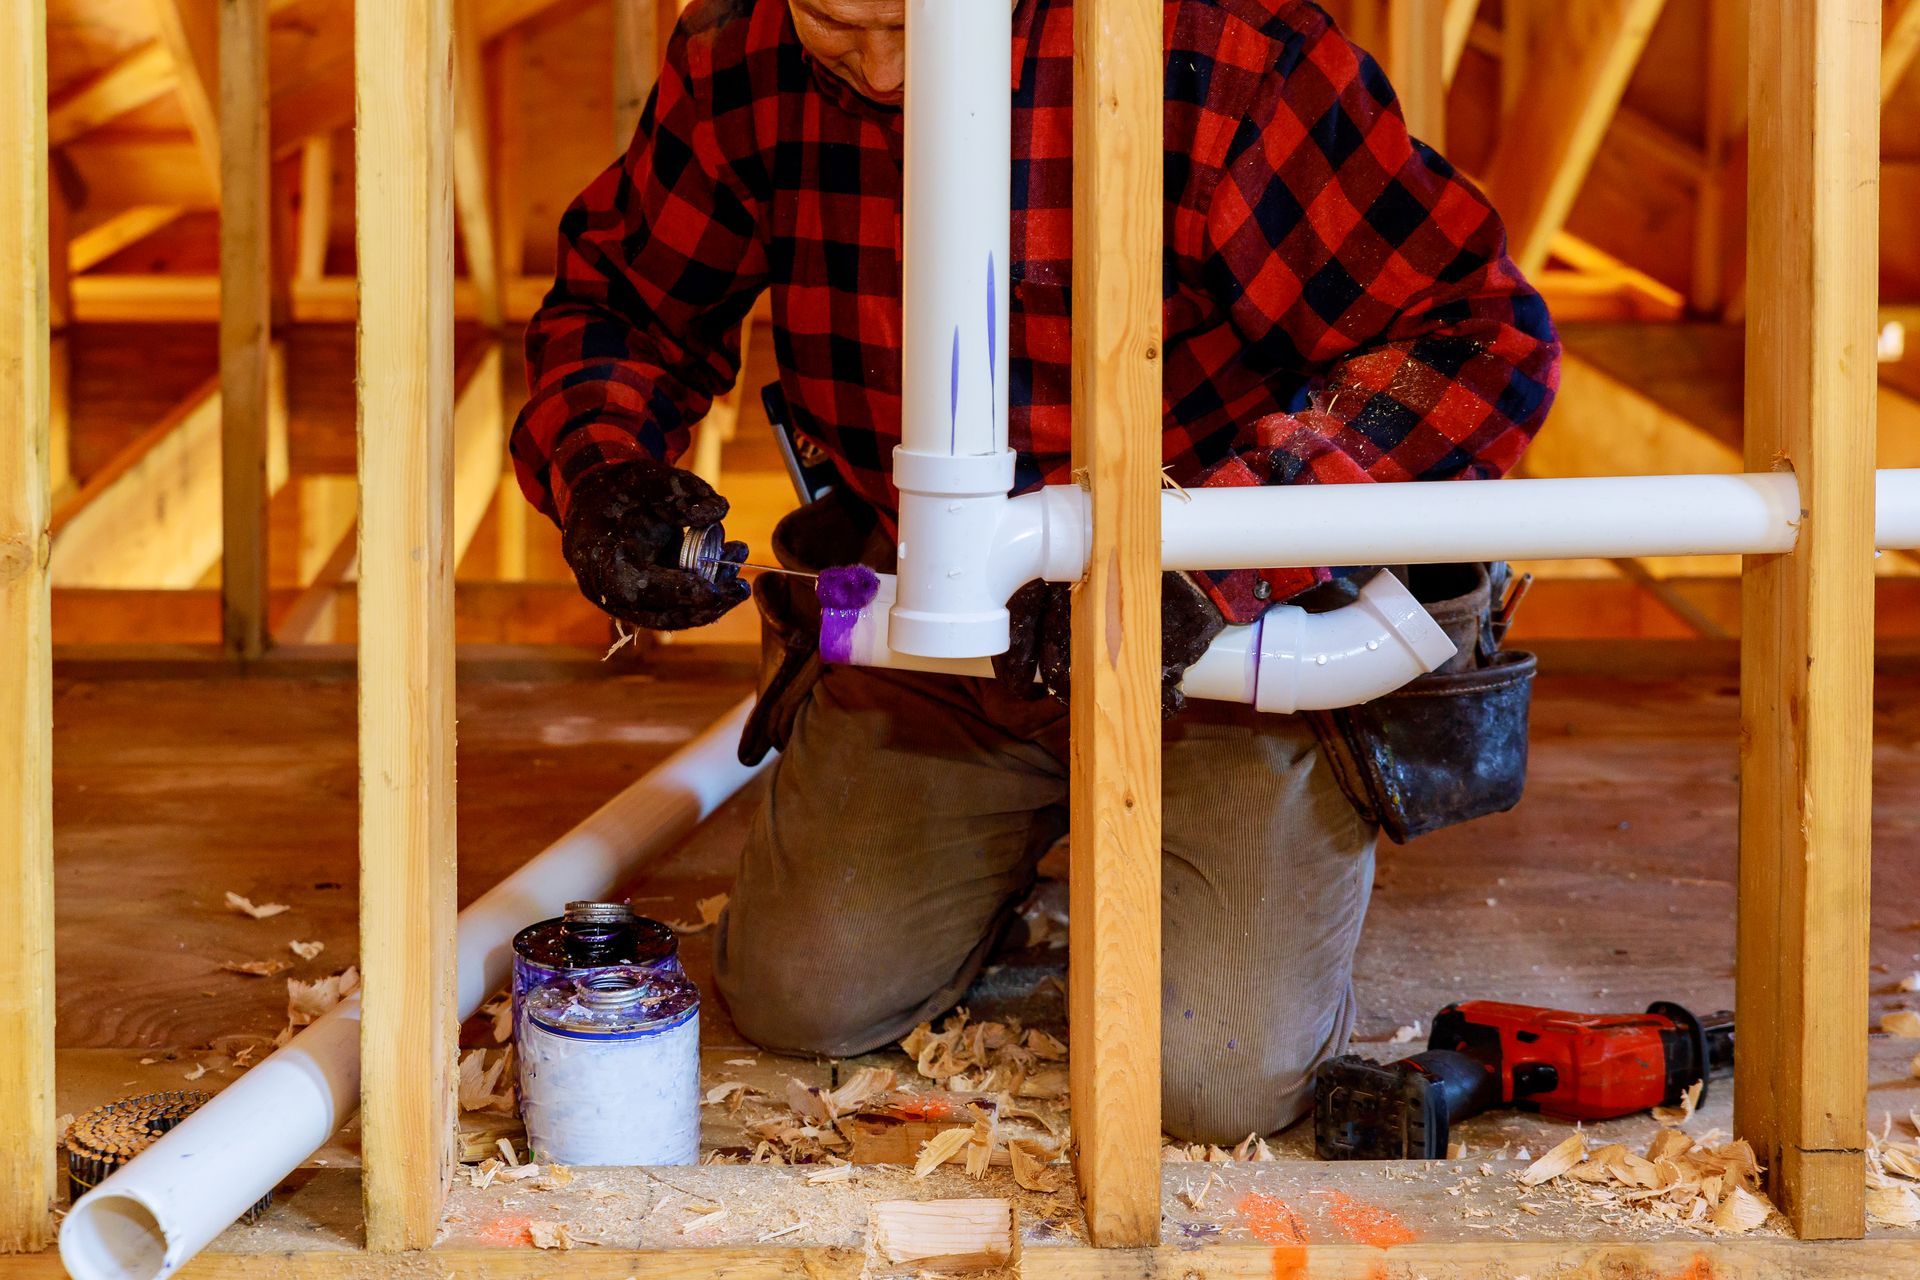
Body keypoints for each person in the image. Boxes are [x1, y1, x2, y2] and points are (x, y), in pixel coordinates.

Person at [510, 0, 1560, 1143]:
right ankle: (1020, 842)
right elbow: (622, 309)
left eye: (909, 24)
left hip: (1221, 631)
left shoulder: (1221, 58)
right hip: (940, 622)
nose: (881, 70)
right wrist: (603, 469)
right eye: (836, 25)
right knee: (805, 996)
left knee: (1214, 1088)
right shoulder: (738, 52)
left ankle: (1224, 844)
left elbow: (1476, 337)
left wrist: (1214, 552)